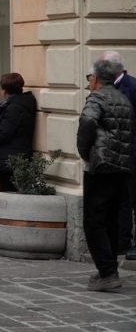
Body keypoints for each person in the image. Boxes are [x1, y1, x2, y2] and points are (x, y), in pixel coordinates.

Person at [77, 59, 133, 291]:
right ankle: (107, 270)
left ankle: (108, 273)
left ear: (95, 79)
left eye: (89, 78)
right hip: (121, 167)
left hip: (100, 166)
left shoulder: (97, 97)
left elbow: (88, 120)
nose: (89, 82)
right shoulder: (123, 98)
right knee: (110, 220)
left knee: (93, 221)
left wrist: (83, 151)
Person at [100, 51, 136, 260]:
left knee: (134, 199)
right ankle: (123, 241)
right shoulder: (104, 88)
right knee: (121, 199)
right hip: (114, 155)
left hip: (131, 153)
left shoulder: (131, 87)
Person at [0, 73, 37, 192]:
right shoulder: (20, 104)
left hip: (10, 160)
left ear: (4, 91)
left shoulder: (14, 108)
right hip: (14, 157)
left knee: (7, 194)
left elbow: (2, 135)